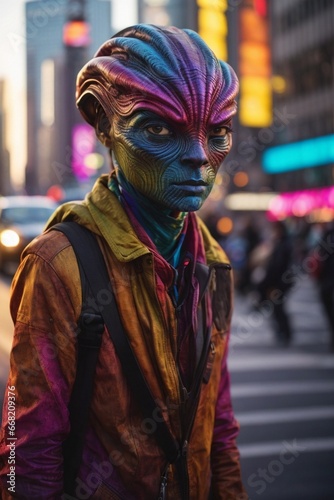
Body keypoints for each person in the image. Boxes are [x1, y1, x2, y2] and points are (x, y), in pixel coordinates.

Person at [0, 25, 247, 499]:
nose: (198, 157)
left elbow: (219, 426)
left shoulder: (213, 264)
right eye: (159, 128)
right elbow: (25, 447)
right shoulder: (59, 264)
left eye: (216, 133)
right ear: (103, 125)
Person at [254, 220, 294, 346]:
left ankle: (285, 333)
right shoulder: (282, 243)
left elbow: (278, 266)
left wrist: (269, 282)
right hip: (280, 280)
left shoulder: (283, 244)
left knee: (278, 307)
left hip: (279, 281)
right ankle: (283, 332)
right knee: (278, 307)